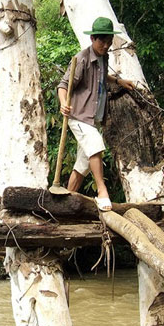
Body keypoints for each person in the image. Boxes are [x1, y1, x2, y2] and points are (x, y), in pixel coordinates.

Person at [57, 17, 135, 211]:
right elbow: (63, 85)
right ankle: (103, 192)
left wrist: (119, 81)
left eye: (109, 42)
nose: (106, 45)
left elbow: (101, 76)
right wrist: (62, 104)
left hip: (93, 119)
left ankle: (64, 202)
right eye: (102, 41)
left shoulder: (103, 57)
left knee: (82, 165)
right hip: (78, 116)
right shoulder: (82, 59)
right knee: (96, 147)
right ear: (93, 38)